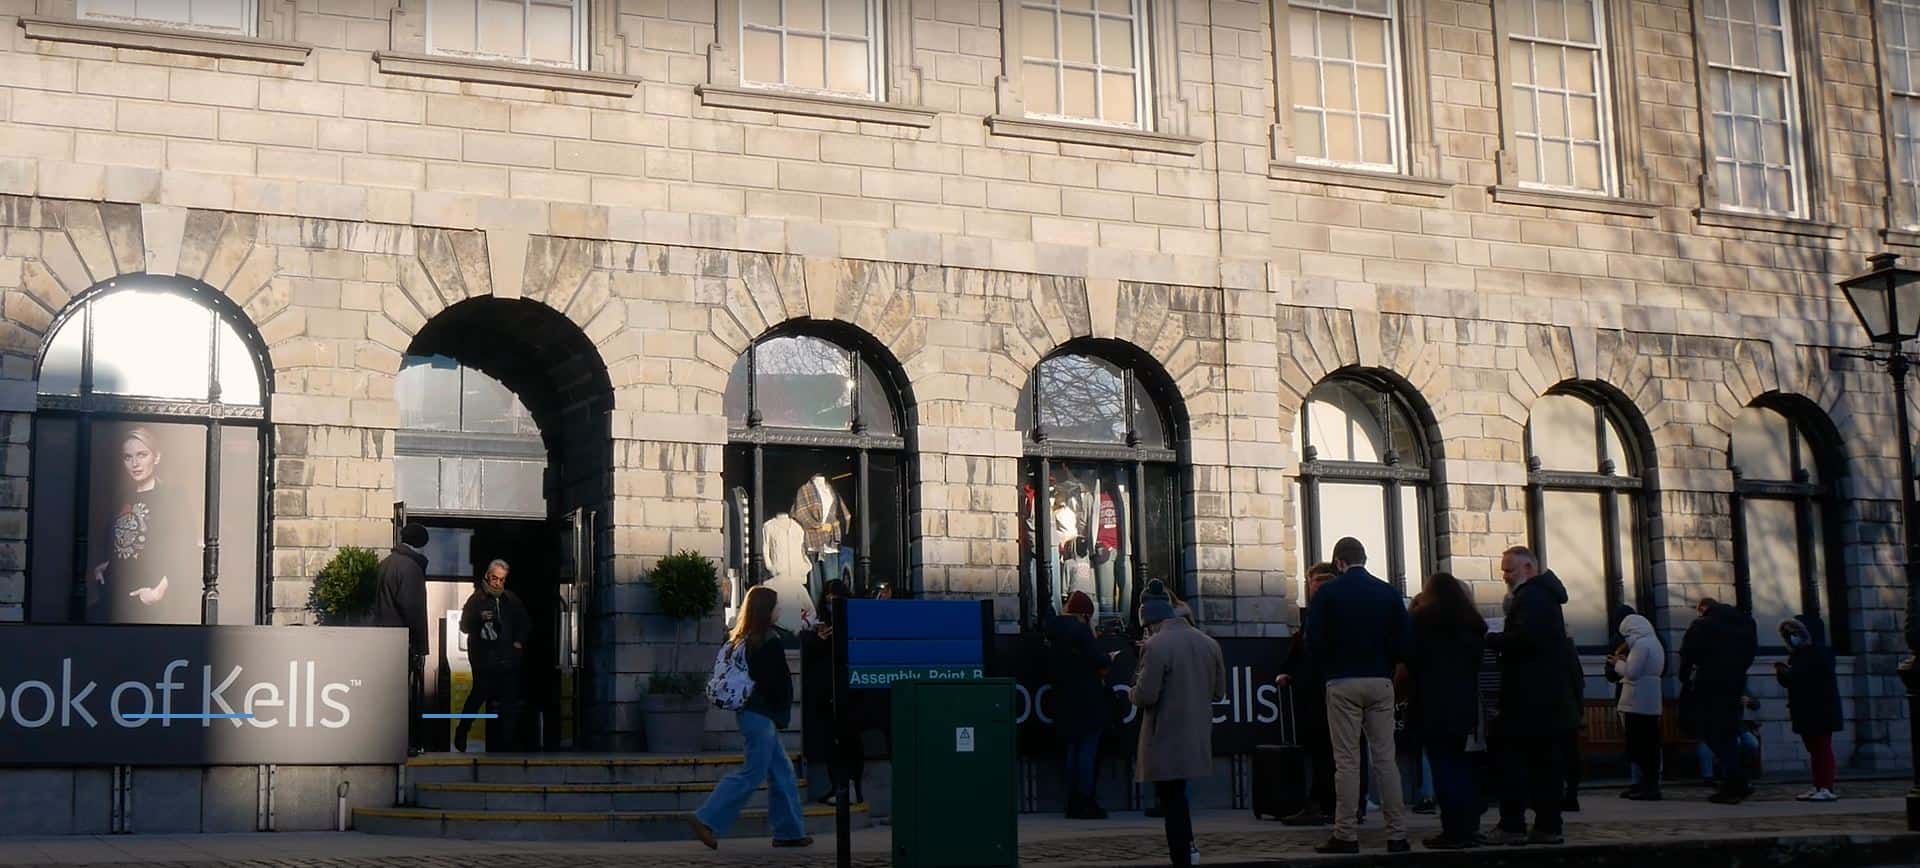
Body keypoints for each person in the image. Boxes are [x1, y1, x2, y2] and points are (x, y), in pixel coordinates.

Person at [1305, 537, 1411, 855]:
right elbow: (1405, 643)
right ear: (1364, 559)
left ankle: (1346, 834)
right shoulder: (1388, 592)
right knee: (1385, 761)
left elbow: (1314, 641)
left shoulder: (1328, 593)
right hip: (1380, 680)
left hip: (1342, 681)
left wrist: (1329, 668)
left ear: (1339, 563)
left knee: (1347, 762)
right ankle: (1397, 835)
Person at [690, 586, 810, 850]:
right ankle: (706, 818)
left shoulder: (744, 639)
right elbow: (775, 683)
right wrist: (781, 708)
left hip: (753, 714)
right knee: (752, 773)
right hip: (761, 715)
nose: (780, 610)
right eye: (776, 606)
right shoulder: (769, 641)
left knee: (782, 771)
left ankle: (789, 832)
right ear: (767, 610)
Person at [1130, 579, 1226, 867]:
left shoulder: (1156, 645)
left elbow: (1146, 695)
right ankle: (1188, 849)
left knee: (1171, 801)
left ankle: (1182, 855)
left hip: (1165, 734)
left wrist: (1132, 691)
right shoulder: (1208, 643)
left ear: (1148, 618)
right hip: (1196, 731)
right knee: (1177, 798)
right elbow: (1219, 691)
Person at [1486, 545, 1576, 846]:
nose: (1504, 576)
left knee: (1514, 762)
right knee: (1545, 765)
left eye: (1509, 569)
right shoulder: (1544, 597)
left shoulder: (1533, 597)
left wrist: (1492, 639)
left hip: (1527, 698)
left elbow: (1525, 640)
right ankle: (1548, 825)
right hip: (1545, 698)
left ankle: (1513, 825)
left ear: (1528, 568)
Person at [1406, 572, 1488, 850]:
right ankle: (1468, 826)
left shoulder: (1422, 621)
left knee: (1442, 768)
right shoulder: (1473, 625)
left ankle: (1453, 830)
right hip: (1463, 704)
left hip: (1431, 702)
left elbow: (1411, 659)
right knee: (1460, 766)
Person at [89, 427, 198, 625]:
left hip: (150, 603)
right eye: (128, 457)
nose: (135, 464)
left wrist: (158, 592)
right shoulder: (122, 498)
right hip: (115, 598)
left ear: (156, 457)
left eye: (142, 455)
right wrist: (104, 568)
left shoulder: (171, 497)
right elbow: (116, 541)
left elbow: (185, 549)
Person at [1275, 562, 1339, 826]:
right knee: (1338, 752)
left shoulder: (1320, 615)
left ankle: (1323, 804)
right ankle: (1342, 805)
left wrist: (1294, 674)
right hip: (1331, 689)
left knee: (1325, 751)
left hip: (1322, 693)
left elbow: (1310, 652)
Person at [1679, 596, 1758, 804]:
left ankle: (1734, 783)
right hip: (1735, 682)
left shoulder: (1703, 625)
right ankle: (1738, 781)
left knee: (1712, 733)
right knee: (1729, 733)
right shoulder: (1745, 623)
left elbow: (1687, 654)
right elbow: (1751, 653)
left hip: (1710, 683)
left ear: (1704, 609)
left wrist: (1686, 677)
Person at [1049, 590, 1112, 819]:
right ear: (1084, 614)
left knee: (1072, 751)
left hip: (1064, 700)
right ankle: (1085, 800)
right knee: (1087, 751)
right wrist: (1107, 658)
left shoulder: (1054, 630)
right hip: (1088, 699)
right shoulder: (1081, 630)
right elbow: (1099, 660)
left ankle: (1072, 801)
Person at [454, 560, 529, 753]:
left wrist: (518, 642)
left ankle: (506, 742)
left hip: (507, 656)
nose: (497, 583)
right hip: (483, 657)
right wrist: (479, 619)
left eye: (501, 580)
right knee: (479, 694)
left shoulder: (511, 600)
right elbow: (464, 627)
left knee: (509, 699)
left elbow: (524, 623)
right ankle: (463, 730)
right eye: (494, 578)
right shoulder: (476, 600)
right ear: (488, 576)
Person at [373, 522, 431, 757]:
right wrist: (420, 647)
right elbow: (413, 609)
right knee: (405, 696)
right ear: (421, 543)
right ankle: (405, 743)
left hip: (383, 640)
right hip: (401, 642)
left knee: (388, 695)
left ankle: (386, 741)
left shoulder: (386, 564)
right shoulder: (410, 568)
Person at [1775, 614, 1843, 802]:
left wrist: (1793, 674)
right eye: (1788, 635)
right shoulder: (1797, 655)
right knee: (1814, 749)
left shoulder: (1821, 652)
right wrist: (1783, 674)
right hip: (1805, 708)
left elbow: (1815, 678)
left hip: (1820, 708)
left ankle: (1826, 787)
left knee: (1822, 748)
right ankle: (1818, 785)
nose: (1791, 638)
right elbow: (1793, 681)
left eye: (1794, 633)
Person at [1610, 613, 1664, 800]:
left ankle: (1646, 786)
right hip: (1651, 700)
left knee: (1639, 746)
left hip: (1636, 700)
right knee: (1649, 745)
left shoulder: (1641, 645)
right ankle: (1649, 785)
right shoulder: (1654, 642)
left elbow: (1632, 673)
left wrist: (1618, 664)